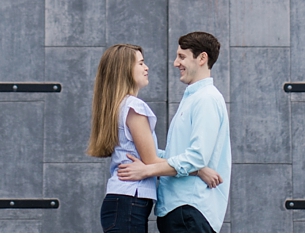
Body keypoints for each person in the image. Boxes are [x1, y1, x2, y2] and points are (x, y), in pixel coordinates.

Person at [88, 43, 222, 233]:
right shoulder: (135, 107)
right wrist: (198, 170)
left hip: (122, 201)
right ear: (125, 69)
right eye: (141, 63)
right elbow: (151, 161)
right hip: (129, 201)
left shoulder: (119, 106)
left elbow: (148, 155)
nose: (146, 68)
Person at [117, 32, 231, 233]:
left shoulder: (206, 99)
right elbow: (177, 155)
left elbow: (197, 156)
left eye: (182, 56)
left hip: (189, 209)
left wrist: (148, 170)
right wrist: (145, 153)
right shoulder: (193, 98)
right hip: (179, 209)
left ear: (202, 58)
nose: (175, 63)